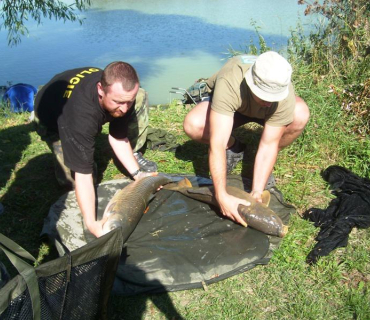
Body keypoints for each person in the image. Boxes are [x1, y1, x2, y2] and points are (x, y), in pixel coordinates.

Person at [183, 51, 310, 227]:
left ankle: (264, 167)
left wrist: (257, 191)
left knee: (301, 113)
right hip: (233, 109)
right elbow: (217, 144)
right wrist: (221, 195)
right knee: (193, 124)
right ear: (251, 84)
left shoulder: (283, 94)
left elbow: (269, 144)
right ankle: (234, 147)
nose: (268, 100)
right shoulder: (230, 81)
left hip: (264, 114)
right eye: (264, 95)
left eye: (272, 96)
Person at [34, 62, 158, 237]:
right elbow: (82, 176)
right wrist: (91, 224)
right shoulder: (79, 117)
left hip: (80, 100)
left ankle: (132, 153)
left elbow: (118, 137)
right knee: (74, 181)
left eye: (128, 102)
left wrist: (138, 174)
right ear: (100, 89)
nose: (124, 109)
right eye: (118, 102)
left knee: (131, 103)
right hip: (52, 115)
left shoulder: (123, 97)